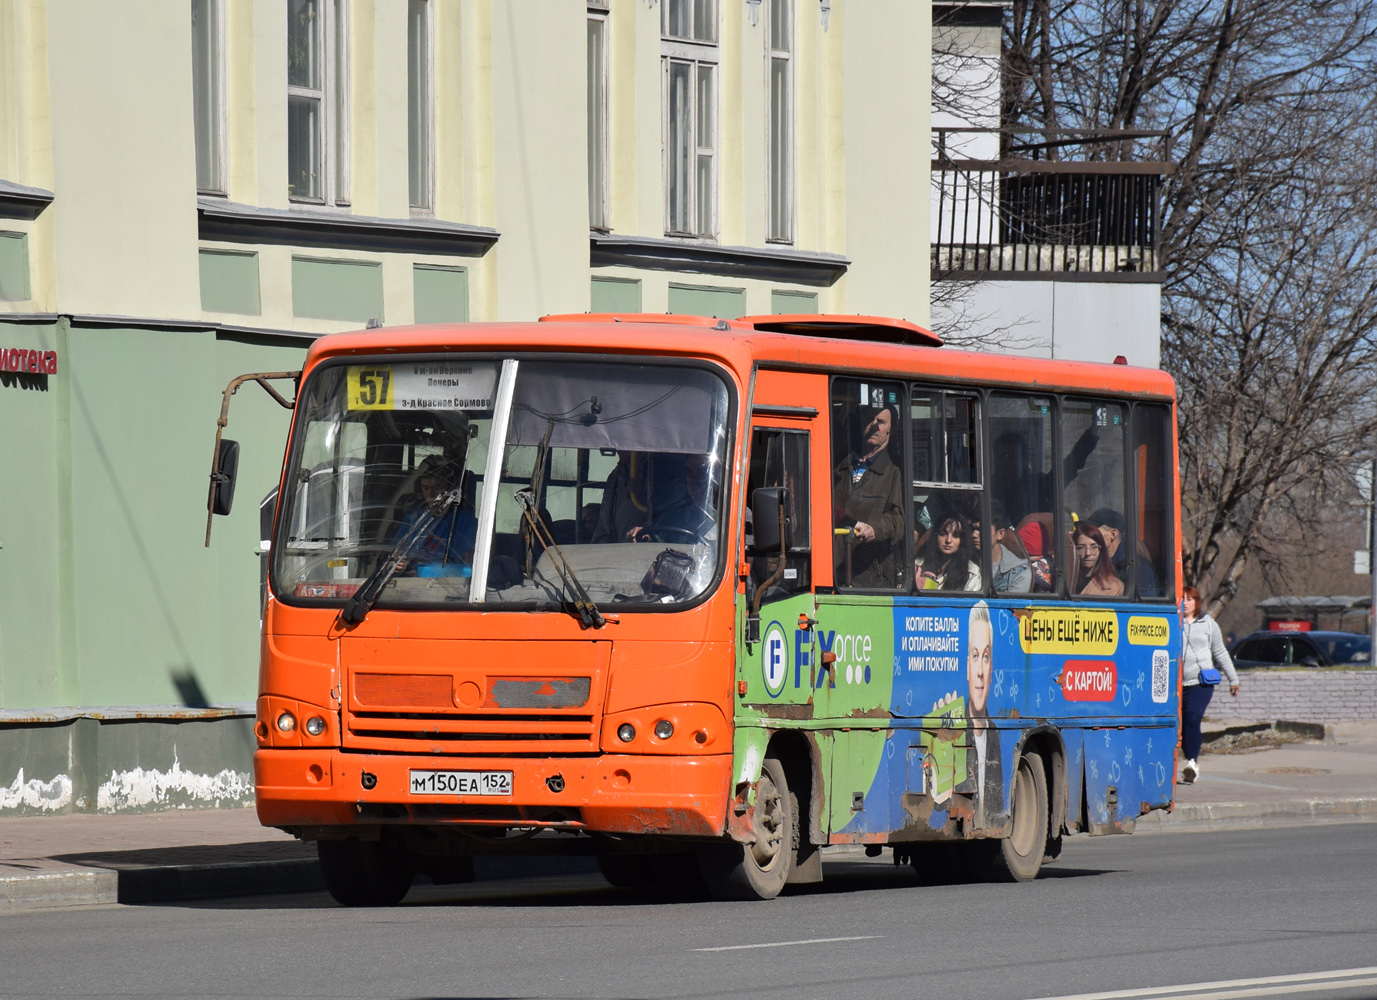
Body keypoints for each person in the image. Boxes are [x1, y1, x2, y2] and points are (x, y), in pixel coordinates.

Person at [833, 404, 905, 587]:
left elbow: (899, 521)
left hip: (871, 577)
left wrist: (875, 529)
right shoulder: (839, 464)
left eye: (881, 422)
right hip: (833, 571)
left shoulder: (896, 471)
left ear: (892, 429)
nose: (874, 426)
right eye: (869, 419)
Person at [1180, 585, 1240, 783]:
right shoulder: (1172, 622)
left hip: (1201, 682)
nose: (1185, 602)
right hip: (1177, 684)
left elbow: (1220, 652)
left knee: (1192, 719)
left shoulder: (1208, 622)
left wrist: (1234, 679)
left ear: (1197, 602)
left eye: (1189, 599)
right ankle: (1189, 760)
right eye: (1182, 598)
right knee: (1181, 726)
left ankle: (1191, 763)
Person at [956, 601, 1003, 827]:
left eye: (986, 657)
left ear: (991, 668)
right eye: (975, 656)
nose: (980, 672)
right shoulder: (952, 730)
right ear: (967, 667)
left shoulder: (996, 734)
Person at [395, 455, 477, 577]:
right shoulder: (413, 519)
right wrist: (396, 564)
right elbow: (396, 554)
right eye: (425, 488)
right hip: (408, 587)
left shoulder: (466, 523)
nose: (430, 494)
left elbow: (470, 570)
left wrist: (422, 572)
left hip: (449, 589)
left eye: (436, 487)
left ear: (450, 486)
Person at [1086, 508, 1157, 597]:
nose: (1089, 535)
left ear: (1113, 534)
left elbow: (1145, 607)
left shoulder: (1139, 568)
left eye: (1094, 531)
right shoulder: (1091, 560)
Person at [914, 511, 981, 591]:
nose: (948, 540)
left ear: (963, 539)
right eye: (943, 534)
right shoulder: (918, 565)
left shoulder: (971, 572)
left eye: (955, 535)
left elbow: (970, 602)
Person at [989, 501, 1032, 594]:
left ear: (1000, 534)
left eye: (981, 530)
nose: (974, 534)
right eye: (973, 529)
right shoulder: (964, 563)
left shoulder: (1019, 572)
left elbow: (1012, 607)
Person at [1072, 522, 1124, 597]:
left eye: (1094, 547)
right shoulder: (1062, 581)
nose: (1088, 553)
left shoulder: (1114, 587)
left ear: (1101, 550)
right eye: (1081, 548)